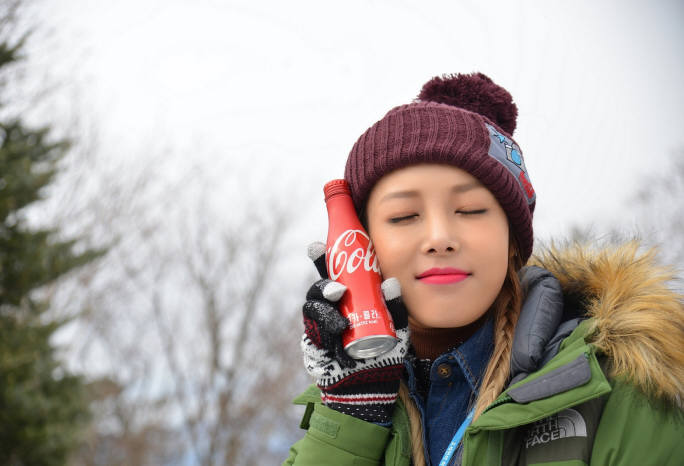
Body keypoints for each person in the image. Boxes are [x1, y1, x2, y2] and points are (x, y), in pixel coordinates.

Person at [283, 73, 684, 466]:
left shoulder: (623, 394)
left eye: (471, 210)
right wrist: (353, 418)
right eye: (404, 216)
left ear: (513, 241)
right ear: (361, 244)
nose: (439, 237)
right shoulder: (343, 403)